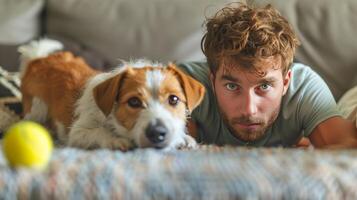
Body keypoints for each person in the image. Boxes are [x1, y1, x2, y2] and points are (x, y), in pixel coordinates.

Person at [178, 3, 357, 148]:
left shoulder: (303, 88)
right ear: (212, 79)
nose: (249, 110)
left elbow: (345, 149)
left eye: (264, 86)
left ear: (286, 81)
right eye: (232, 86)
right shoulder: (184, 86)